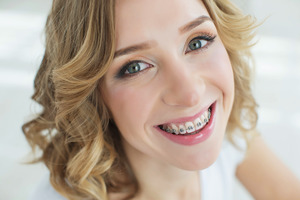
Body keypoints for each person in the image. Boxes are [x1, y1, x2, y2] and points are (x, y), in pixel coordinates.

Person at [23, 0, 300, 199]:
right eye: (135, 67)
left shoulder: (229, 133)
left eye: (197, 42)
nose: (190, 94)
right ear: (92, 96)